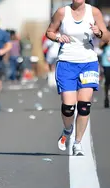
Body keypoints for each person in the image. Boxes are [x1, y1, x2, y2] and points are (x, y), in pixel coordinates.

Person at [46, 0, 110, 155]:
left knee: (84, 105)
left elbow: (106, 37)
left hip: (88, 62)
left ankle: (77, 143)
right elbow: (49, 32)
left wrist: (99, 33)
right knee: (68, 108)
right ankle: (68, 130)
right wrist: (57, 38)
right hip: (67, 62)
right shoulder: (62, 12)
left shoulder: (94, 12)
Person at [101, 41, 110, 108]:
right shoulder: (105, 44)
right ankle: (106, 97)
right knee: (107, 81)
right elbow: (100, 46)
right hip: (106, 64)